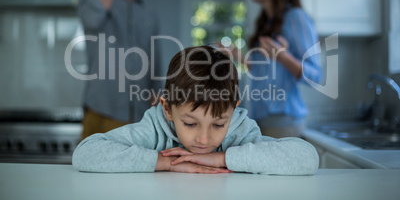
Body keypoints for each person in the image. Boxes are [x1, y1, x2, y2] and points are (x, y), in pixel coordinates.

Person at [72, 46, 319, 175]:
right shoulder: (155, 128)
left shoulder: (240, 131)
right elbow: (85, 153)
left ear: (234, 109)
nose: (204, 139)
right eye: (190, 124)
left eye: (218, 124)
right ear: (167, 108)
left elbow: (307, 158)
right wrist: (165, 163)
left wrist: (221, 159)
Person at [219, 0, 322, 138]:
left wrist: (283, 57)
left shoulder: (296, 17)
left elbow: (316, 77)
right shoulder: (267, 22)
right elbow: (265, 71)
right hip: (262, 120)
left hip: (284, 122)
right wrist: (238, 56)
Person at [77, 0, 161, 139]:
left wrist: (158, 94)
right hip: (102, 110)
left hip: (140, 115)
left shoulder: (149, 12)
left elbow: (154, 59)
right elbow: (91, 20)